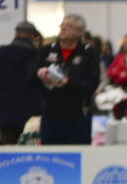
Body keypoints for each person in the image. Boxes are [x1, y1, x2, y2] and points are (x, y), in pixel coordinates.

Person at [29, 14, 99, 145]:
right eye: (62, 25)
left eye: (69, 26)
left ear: (80, 32)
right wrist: (39, 73)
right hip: (50, 114)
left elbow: (91, 84)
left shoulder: (88, 53)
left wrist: (68, 83)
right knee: (50, 157)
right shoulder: (46, 50)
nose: (64, 28)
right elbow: (29, 76)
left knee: (77, 157)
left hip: (77, 116)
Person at [0, 22, 42, 144]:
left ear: (16, 34)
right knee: (29, 148)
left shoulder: (0, 54)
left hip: (5, 112)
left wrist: (3, 88)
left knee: (7, 150)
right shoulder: (36, 57)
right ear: (32, 36)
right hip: (31, 113)